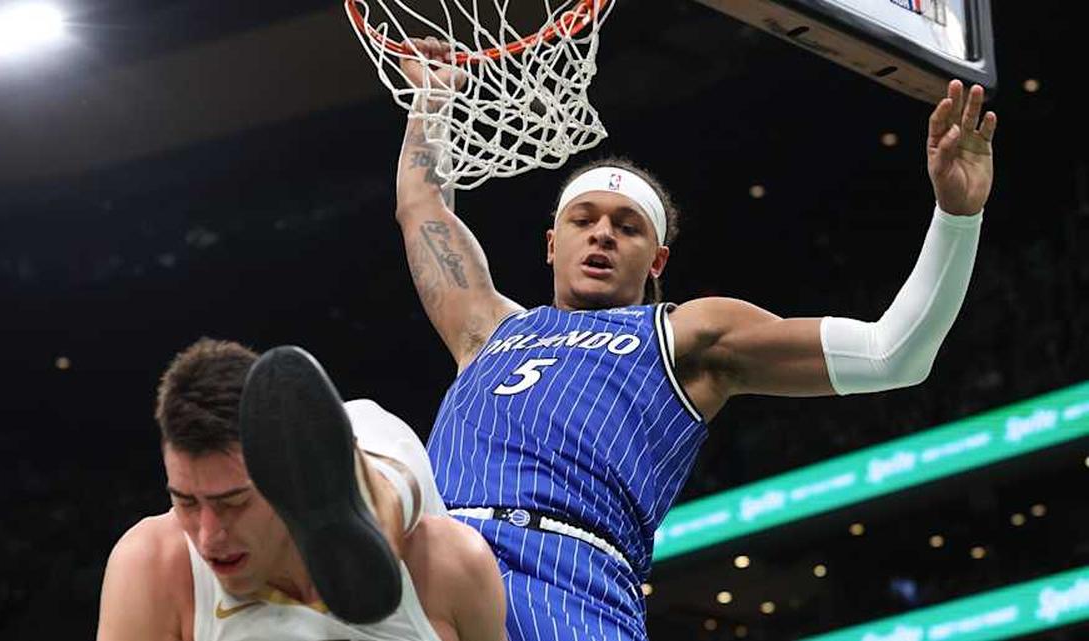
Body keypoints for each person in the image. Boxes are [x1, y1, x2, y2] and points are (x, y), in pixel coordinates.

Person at [394, 39, 997, 640]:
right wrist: (432, 98)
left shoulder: (686, 334)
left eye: (625, 228)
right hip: (438, 559)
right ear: (552, 244)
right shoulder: (489, 327)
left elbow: (893, 353)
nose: (602, 235)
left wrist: (957, 216)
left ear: (656, 260)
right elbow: (422, 206)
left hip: (572, 583)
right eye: (584, 220)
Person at [95, 339, 506, 641]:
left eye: (233, 502)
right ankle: (378, 497)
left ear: (284, 482)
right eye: (185, 502)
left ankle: (377, 498)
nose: (208, 536)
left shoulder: (449, 565)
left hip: (399, 540)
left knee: (365, 427)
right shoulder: (155, 565)